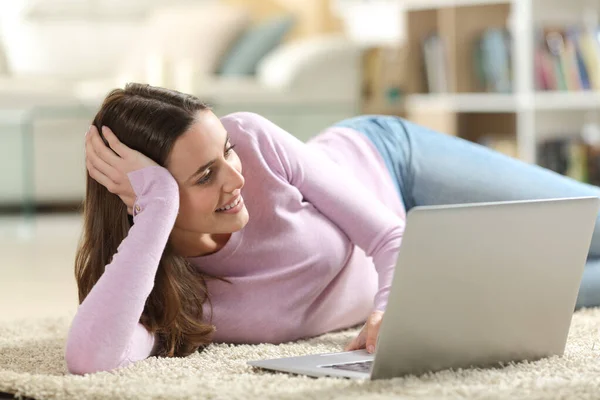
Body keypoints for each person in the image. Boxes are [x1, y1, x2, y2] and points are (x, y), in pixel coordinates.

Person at [64, 83, 600, 375]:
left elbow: (391, 238)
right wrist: (157, 209)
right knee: (556, 276)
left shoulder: (255, 139)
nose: (235, 178)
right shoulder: (157, 293)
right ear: (146, 192)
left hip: (394, 168)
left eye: (226, 151)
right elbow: (92, 359)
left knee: (586, 222)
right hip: (424, 265)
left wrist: (390, 310)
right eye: (204, 176)